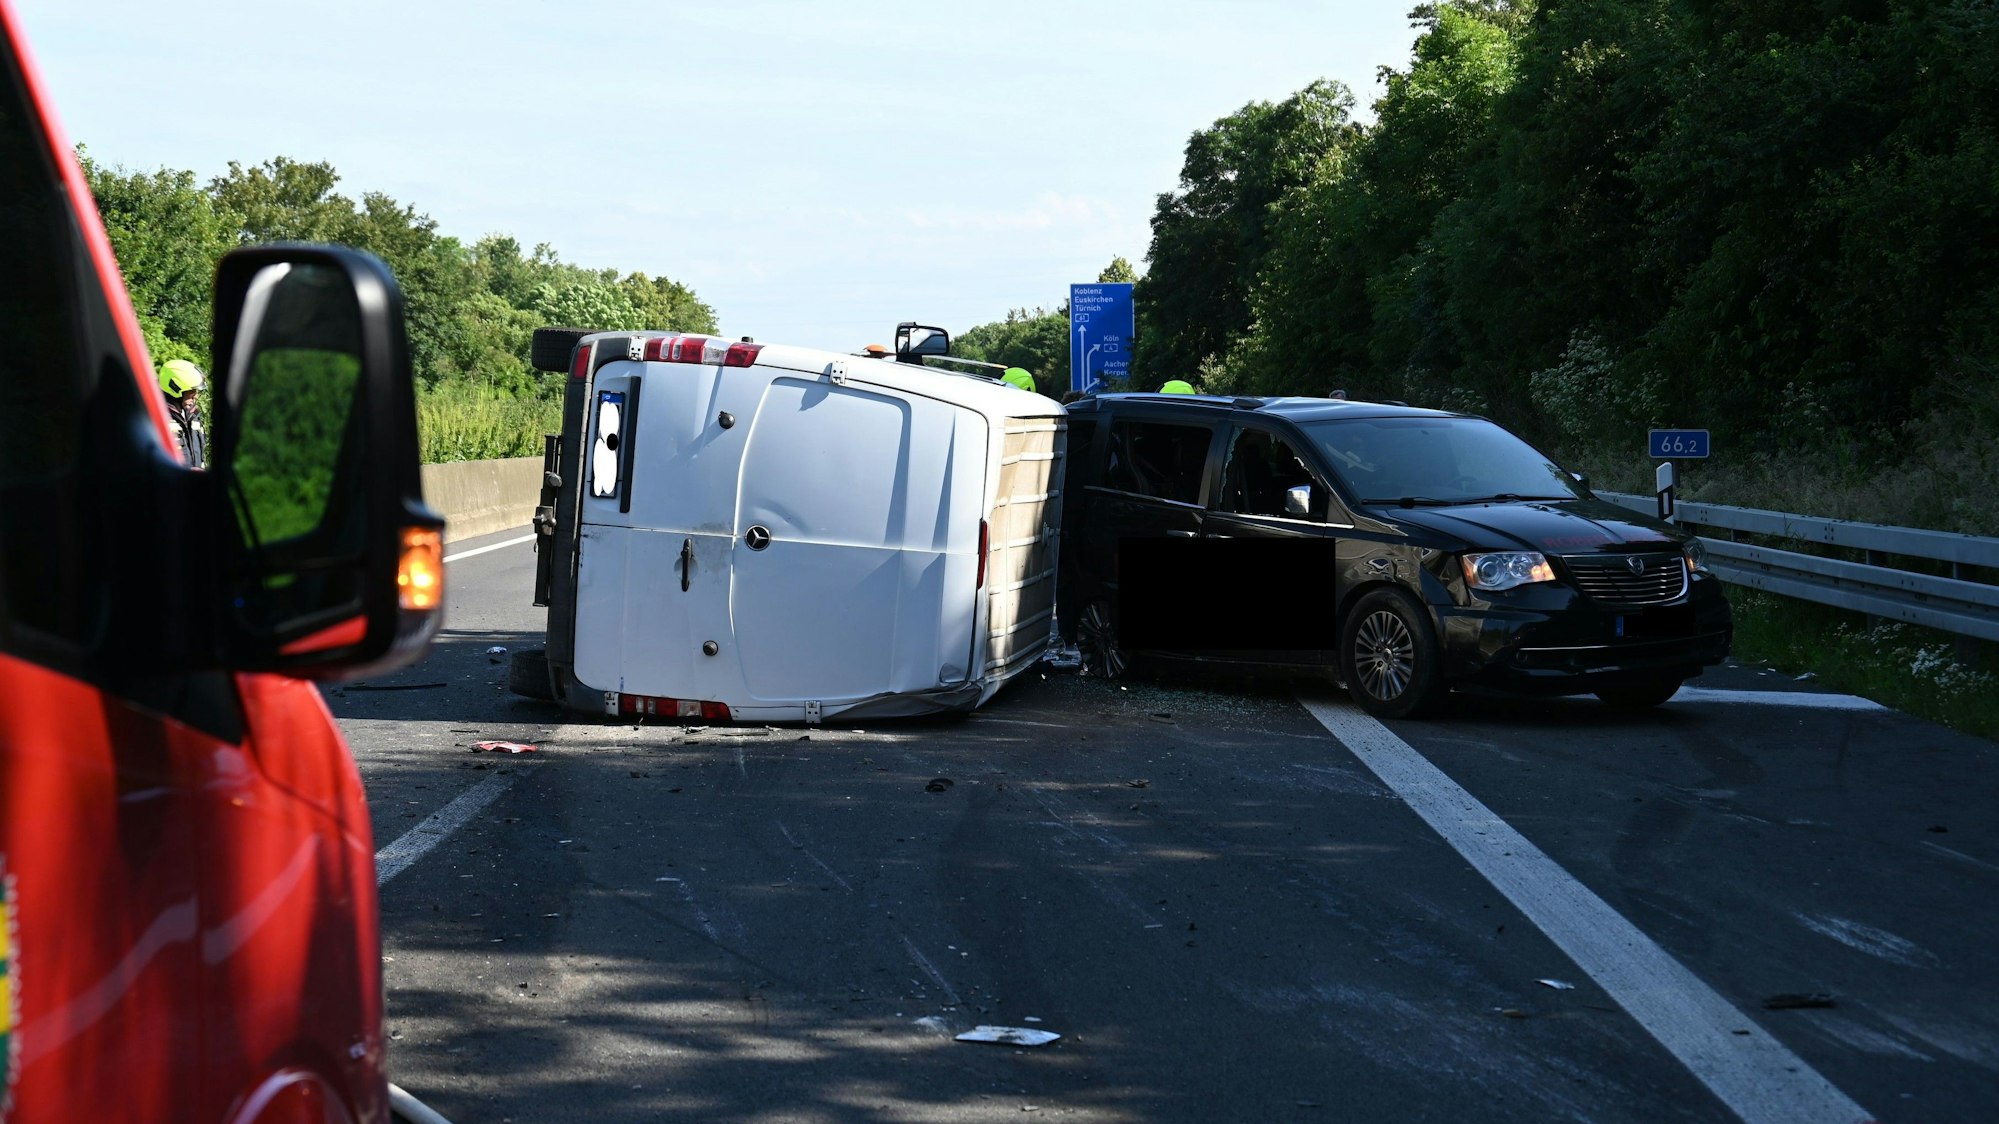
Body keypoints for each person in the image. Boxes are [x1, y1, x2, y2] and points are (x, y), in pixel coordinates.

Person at [158, 358, 206, 468]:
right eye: (192, 391)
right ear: (175, 388)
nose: (196, 396)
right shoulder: (159, 418)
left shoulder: (194, 416)